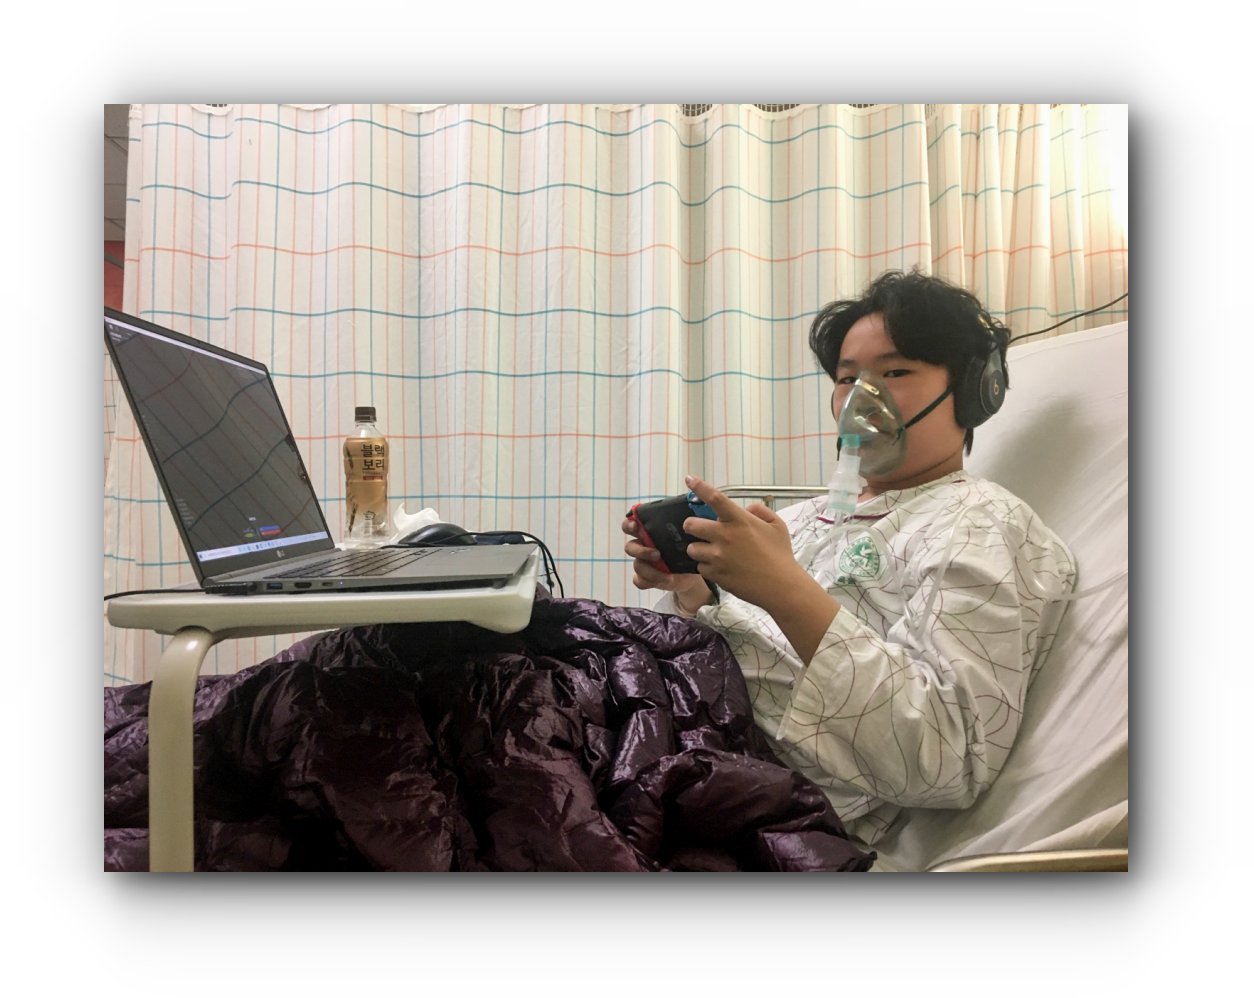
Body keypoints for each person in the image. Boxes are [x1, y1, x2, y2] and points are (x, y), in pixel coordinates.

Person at [621, 270, 1076, 846]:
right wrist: (693, 589)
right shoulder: (802, 518)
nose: (861, 399)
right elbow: (744, 660)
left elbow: (944, 758)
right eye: (846, 379)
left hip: (749, 799)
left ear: (972, 389)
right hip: (673, 734)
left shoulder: (983, 527)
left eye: (894, 372)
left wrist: (786, 590)